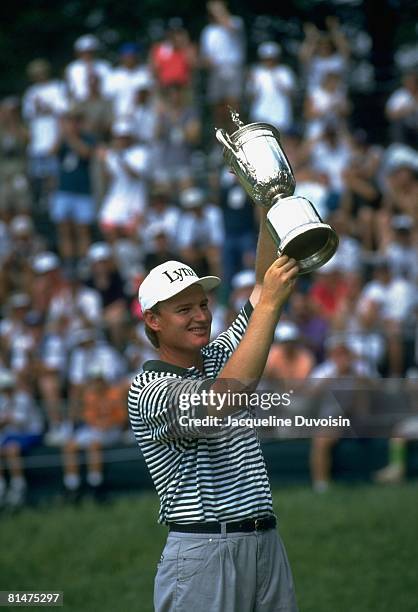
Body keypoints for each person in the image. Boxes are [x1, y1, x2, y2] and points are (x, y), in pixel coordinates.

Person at [128, 205, 299, 611]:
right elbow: (225, 397)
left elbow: (261, 287)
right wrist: (271, 306)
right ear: (153, 320)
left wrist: (269, 202)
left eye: (202, 305)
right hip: (204, 547)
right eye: (183, 309)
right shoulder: (148, 388)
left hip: (264, 542)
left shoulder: (220, 353)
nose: (200, 316)